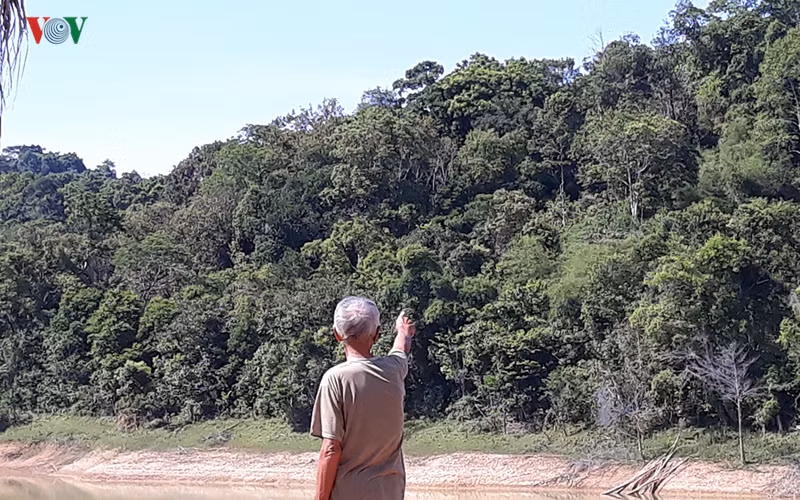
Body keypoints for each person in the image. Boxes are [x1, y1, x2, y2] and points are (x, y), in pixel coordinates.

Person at [311, 296, 416, 500]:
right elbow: (401, 348)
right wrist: (403, 330)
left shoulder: (335, 379)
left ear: (336, 334)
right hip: (391, 493)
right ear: (377, 335)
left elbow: (331, 449)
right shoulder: (393, 369)